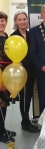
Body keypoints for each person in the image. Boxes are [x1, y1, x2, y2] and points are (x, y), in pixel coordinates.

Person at [10, 11, 39, 133]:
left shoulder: (31, 34)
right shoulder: (13, 36)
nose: (22, 21)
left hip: (32, 70)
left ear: (27, 20)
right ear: (16, 22)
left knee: (29, 96)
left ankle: (25, 120)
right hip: (20, 71)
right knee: (24, 96)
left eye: (24, 19)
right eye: (20, 19)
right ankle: (25, 122)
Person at [0, 11, 16, 143]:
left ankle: (2, 129)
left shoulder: (6, 36)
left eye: (3, 20)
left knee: (4, 104)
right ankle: (1, 134)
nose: (1, 23)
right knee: (0, 105)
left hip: (7, 74)